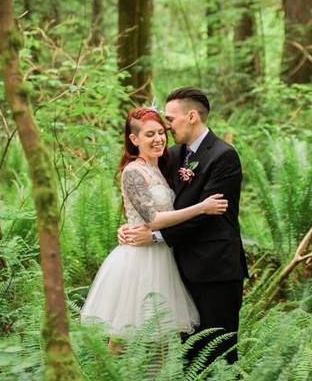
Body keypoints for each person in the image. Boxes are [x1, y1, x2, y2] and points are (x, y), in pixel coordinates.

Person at [119, 87, 248, 367]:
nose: (166, 127)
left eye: (170, 120)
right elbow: (149, 197)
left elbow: (207, 216)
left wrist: (154, 236)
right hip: (180, 269)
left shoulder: (224, 156)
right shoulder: (175, 155)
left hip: (216, 270)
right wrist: (131, 226)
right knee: (191, 354)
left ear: (191, 116)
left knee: (220, 351)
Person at [80, 107, 229, 348]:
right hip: (138, 261)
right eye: (150, 134)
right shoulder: (132, 172)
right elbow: (153, 219)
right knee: (122, 337)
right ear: (134, 139)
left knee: (161, 338)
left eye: (161, 132)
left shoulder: (162, 167)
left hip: (163, 258)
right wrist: (202, 207)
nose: (158, 139)